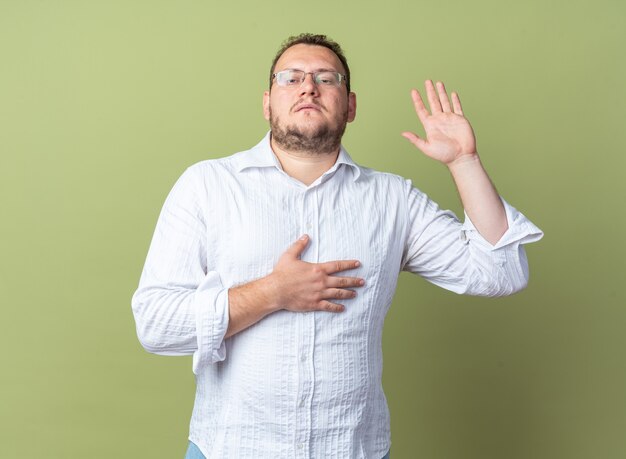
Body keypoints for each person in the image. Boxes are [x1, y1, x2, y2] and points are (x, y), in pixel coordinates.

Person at [131, 33, 543, 459]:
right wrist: (273, 292)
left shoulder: (392, 199)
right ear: (267, 102)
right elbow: (156, 325)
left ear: (350, 106)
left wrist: (464, 162)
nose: (309, 86)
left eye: (327, 78)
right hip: (230, 448)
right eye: (291, 78)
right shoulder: (207, 186)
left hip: (352, 449)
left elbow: (501, 273)